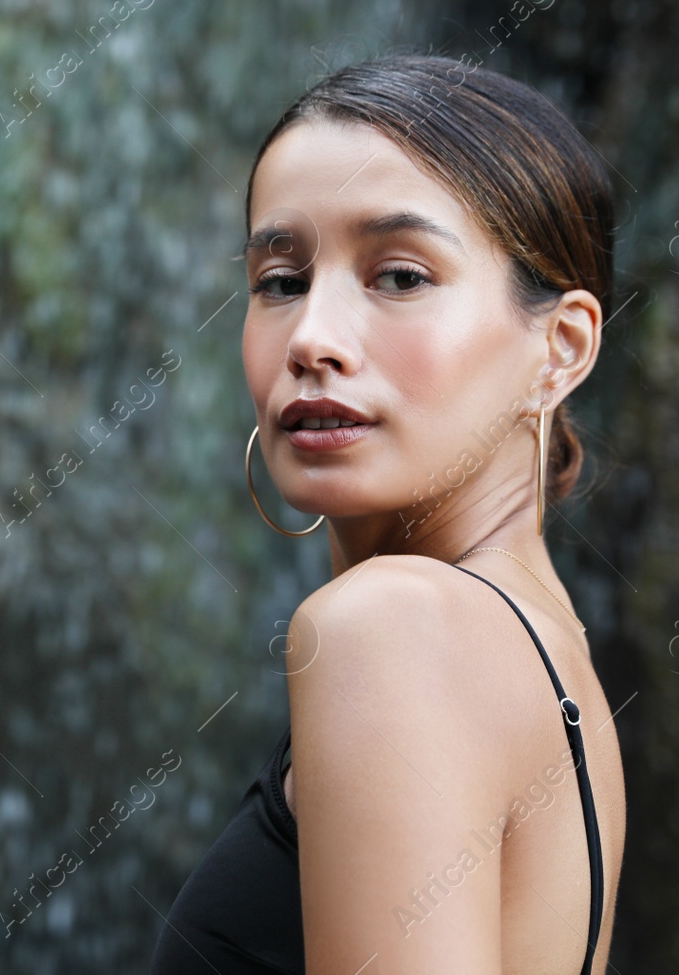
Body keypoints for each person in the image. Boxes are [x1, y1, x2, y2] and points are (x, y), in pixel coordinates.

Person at [149, 54, 627, 975]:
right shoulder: (551, 653)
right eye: (280, 279)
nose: (313, 339)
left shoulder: (392, 628)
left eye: (400, 276)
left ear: (559, 349)